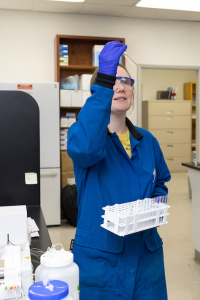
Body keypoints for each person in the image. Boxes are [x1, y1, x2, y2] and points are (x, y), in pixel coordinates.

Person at [67, 41, 171, 300]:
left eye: (127, 82)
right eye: (113, 80)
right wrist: (103, 80)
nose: (121, 87)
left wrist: (155, 204)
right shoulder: (84, 136)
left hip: (146, 258)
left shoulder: (147, 141)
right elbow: (86, 147)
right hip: (102, 261)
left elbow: (161, 182)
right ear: (99, 88)